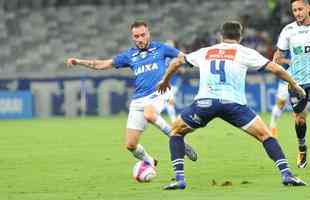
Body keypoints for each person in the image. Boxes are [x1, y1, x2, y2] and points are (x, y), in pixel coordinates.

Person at [157, 21, 307, 190]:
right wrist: (294, 84)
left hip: (205, 103)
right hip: (233, 105)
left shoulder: (206, 51)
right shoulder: (244, 52)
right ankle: (287, 174)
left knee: (176, 132)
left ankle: (179, 179)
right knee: (266, 136)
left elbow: (177, 62)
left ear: (221, 35)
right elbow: (276, 68)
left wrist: (165, 80)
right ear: (240, 36)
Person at [66, 21, 198, 170]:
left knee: (149, 114)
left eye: (143, 35)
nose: (140, 39)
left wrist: (199, 62)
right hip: (138, 99)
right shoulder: (129, 55)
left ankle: (178, 140)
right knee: (130, 145)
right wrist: (78, 61)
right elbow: (102, 65)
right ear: (133, 37)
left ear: (148, 34)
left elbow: (183, 57)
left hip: (159, 91)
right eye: (136, 36)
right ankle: (150, 162)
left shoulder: (161, 48)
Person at [273, 0, 310, 168]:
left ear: (308, 8)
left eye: (300, 9)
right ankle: (302, 148)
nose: (297, 13)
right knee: (300, 119)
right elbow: (278, 58)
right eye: (295, 10)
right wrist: (290, 61)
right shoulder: (288, 30)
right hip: (298, 82)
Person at [269, 51, 291, 137]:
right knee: (280, 103)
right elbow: (276, 60)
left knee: (302, 107)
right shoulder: (286, 47)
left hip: (301, 80)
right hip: (286, 80)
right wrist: (288, 61)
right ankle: (272, 127)